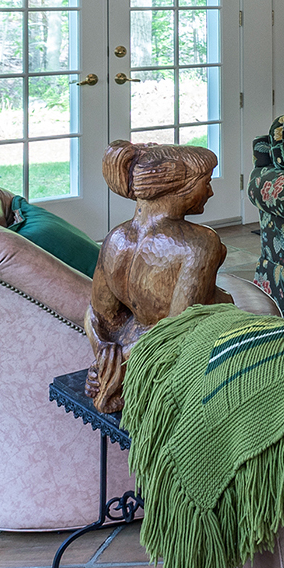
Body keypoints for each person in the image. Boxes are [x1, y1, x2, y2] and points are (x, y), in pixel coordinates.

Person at [86, 140, 230, 414]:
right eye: (206, 182)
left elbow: (97, 316)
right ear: (179, 187)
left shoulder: (114, 238)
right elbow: (177, 330)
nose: (210, 192)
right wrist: (117, 367)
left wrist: (105, 358)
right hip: (182, 372)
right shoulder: (199, 243)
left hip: (130, 353)